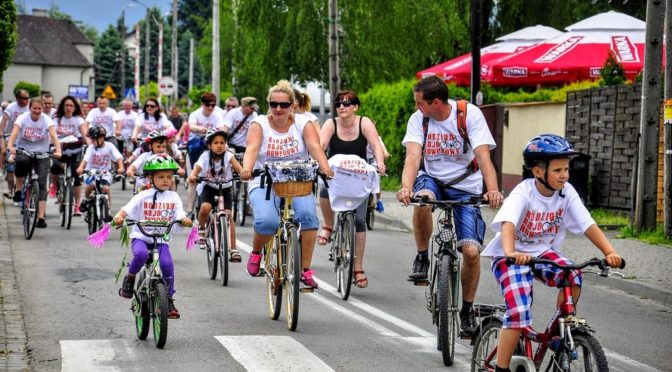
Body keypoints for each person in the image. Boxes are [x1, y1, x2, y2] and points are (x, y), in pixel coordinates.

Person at [481, 134, 623, 372]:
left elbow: (587, 224)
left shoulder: (567, 193)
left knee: (574, 276)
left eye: (566, 169)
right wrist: (511, 251)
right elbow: (508, 223)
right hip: (510, 257)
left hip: (542, 253)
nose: (564, 175)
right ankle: (502, 368)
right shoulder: (523, 192)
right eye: (557, 170)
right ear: (538, 172)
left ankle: (558, 331)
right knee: (518, 313)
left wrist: (610, 252)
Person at [396, 75, 503, 336]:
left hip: (465, 184)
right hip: (432, 178)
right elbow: (413, 156)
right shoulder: (418, 120)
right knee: (423, 198)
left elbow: (483, 156)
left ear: (435, 102)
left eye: (420, 103)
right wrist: (406, 187)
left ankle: (466, 311)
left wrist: (492, 191)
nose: (416, 107)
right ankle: (422, 257)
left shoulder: (468, 115)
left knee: (471, 252)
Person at [240, 80, 333, 289]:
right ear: (269, 105)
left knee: (309, 217)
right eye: (274, 104)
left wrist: (325, 167)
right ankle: (256, 254)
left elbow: (315, 147)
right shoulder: (260, 124)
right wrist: (247, 168)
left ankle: (305, 270)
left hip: (297, 180)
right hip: (265, 179)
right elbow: (252, 148)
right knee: (267, 222)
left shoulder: (303, 123)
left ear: (293, 105)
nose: (278, 109)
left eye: (283, 105)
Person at [317, 90, 386, 289]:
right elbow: (321, 145)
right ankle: (329, 226)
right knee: (323, 189)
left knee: (359, 220)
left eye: (347, 104)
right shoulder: (331, 124)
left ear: (355, 107)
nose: (342, 107)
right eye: (338, 104)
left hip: (358, 174)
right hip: (336, 173)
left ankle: (357, 267)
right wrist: (320, 163)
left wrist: (380, 163)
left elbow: (375, 144)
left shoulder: (364, 123)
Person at [114, 153, 192, 319]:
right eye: (161, 177)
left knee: (167, 263)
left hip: (160, 239)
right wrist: (119, 216)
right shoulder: (143, 195)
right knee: (141, 254)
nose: (166, 180)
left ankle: (169, 298)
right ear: (151, 177)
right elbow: (127, 209)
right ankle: (130, 277)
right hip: (141, 237)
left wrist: (184, 219)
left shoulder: (174, 196)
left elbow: (179, 214)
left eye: (169, 177)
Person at [7, 97, 62, 228]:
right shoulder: (23, 118)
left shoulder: (46, 120)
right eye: (34, 108)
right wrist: (10, 146)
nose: (37, 111)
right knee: (21, 161)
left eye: (39, 108)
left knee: (42, 183)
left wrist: (58, 150)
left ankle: (41, 217)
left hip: (42, 152)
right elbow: (14, 133)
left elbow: (54, 136)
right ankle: (19, 190)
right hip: (24, 150)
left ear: (42, 109)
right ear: (29, 108)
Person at [189, 129, 243, 259]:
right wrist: (192, 175)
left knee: (229, 216)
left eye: (222, 143)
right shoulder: (205, 156)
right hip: (209, 187)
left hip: (225, 189)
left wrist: (244, 173)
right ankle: (201, 230)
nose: (219, 146)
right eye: (216, 143)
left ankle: (234, 249)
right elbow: (196, 169)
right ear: (209, 145)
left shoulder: (229, 156)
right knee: (205, 208)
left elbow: (239, 168)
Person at [186, 92, 224, 217]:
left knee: (224, 150)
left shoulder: (217, 115)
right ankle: (190, 210)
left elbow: (221, 128)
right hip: (198, 143)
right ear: (202, 104)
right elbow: (191, 126)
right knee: (194, 178)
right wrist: (201, 129)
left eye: (213, 105)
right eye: (208, 105)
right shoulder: (195, 114)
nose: (210, 108)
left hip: (211, 143)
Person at [49, 96, 88, 215]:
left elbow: (85, 134)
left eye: (71, 105)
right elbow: (52, 132)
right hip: (60, 148)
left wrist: (90, 144)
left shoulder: (78, 119)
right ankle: (55, 185)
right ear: (63, 107)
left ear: (75, 107)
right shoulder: (57, 119)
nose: (68, 108)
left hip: (75, 149)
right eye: (66, 105)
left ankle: (76, 206)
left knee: (76, 176)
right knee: (55, 165)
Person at [76, 126, 124, 221]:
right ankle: (86, 199)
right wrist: (81, 168)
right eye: (91, 139)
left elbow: (118, 157)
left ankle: (107, 210)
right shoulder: (91, 148)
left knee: (106, 188)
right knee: (91, 185)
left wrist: (121, 167)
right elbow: (85, 160)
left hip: (105, 173)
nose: (92, 141)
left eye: (94, 138)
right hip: (91, 172)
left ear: (102, 138)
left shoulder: (110, 146)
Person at [1, 90, 30, 200]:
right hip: (11, 138)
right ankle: (10, 189)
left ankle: (24, 188)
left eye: (28, 98)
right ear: (17, 98)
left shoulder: (29, 107)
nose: (26, 100)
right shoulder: (11, 107)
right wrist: (1, 131)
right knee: (11, 166)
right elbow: (4, 120)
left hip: (25, 138)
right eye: (24, 98)